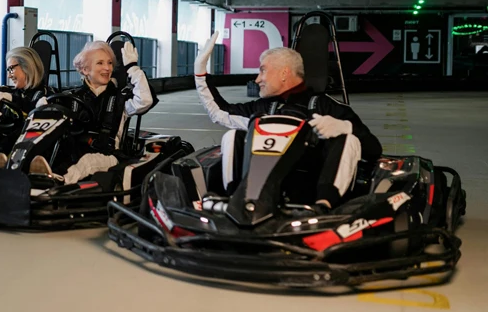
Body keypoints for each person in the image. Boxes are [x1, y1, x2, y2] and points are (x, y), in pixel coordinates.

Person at [193, 32, 381, 211]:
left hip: (314, 189)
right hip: (264, 188)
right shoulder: (263, 107)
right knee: (233, 135)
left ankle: (323, 207)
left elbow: (374, 149)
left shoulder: (326, 107)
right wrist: (200, 73)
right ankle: (236, 200)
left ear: (284, 73)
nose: (257, 79)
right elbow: (219, 112)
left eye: (262, 70)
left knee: (349, 138)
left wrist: (346, 127)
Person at [29, 39, 155, 184]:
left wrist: (133, 68)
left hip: (107, 155)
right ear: (85, 70)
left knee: (89, 161)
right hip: (75, 152)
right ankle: (21, 174)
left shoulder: (120, 99)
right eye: (100, 63)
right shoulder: (71, 97)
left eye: (109, 63)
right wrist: (42, 106)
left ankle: (58, 182)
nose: (107, 68)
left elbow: (145, 100)